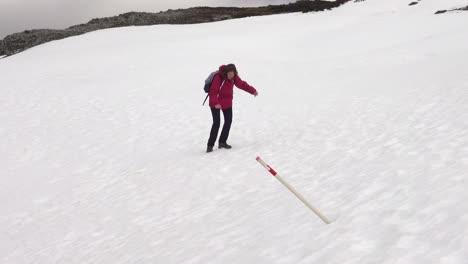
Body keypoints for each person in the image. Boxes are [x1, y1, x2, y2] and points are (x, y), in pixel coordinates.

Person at [206, 64, 258, 153]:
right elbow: (213, 92)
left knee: (228, 121)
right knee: (216, 123)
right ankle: (210, 145)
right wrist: (216, 103)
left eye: (232, 73)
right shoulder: (218, 78)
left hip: (227, 102)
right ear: (226, 72)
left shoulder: (234, 78)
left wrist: (253, 91)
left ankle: (222, 142)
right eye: (229, 73)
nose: (231, 75)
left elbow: (242, 84)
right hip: (215, 103)